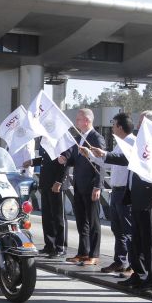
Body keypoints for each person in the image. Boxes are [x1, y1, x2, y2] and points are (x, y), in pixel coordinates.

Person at [89, 111, 152, 292]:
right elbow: (128, 159)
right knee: (136, 240)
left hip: (148, 196)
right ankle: (138, 274)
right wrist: (104, 155)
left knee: (148, 241)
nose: (139, 127)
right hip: (135, 194)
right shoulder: (143, 143)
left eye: (142, 123)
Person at [57, 109, 106, 266]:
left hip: (91, 185)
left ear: (86, 120)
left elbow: (101, 163)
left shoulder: (96, 138)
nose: (76, 122)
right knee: (81, 221)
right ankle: (83, 252)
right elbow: (76, 159)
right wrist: (65, 159)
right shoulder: (79, 138)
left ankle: (94, 254)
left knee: (93, 221)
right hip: (78, 185)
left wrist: (97, 186)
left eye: (78, 119)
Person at [102, 113, 135, 276]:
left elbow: (122, 159)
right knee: (117, 228)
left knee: (128, 229)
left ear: (120, 127)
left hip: (125, 191)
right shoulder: (119, 144)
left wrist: (103, 155)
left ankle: (133, 264)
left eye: (114, 125)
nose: (112, 127)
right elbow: (108, 162)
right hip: (115, 190)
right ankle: (120, 261)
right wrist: (93, 155)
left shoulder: (132, 143)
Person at [24, 138, 68, 259]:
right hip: (46, 183)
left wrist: (59, 181)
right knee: (47, 217)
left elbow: (65, 163)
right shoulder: (45, 141)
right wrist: (32, 162)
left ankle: (60, 247)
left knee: (58, 217)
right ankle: (49, 245)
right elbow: (45, 160)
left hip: (56, 184)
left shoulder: (60, 140)